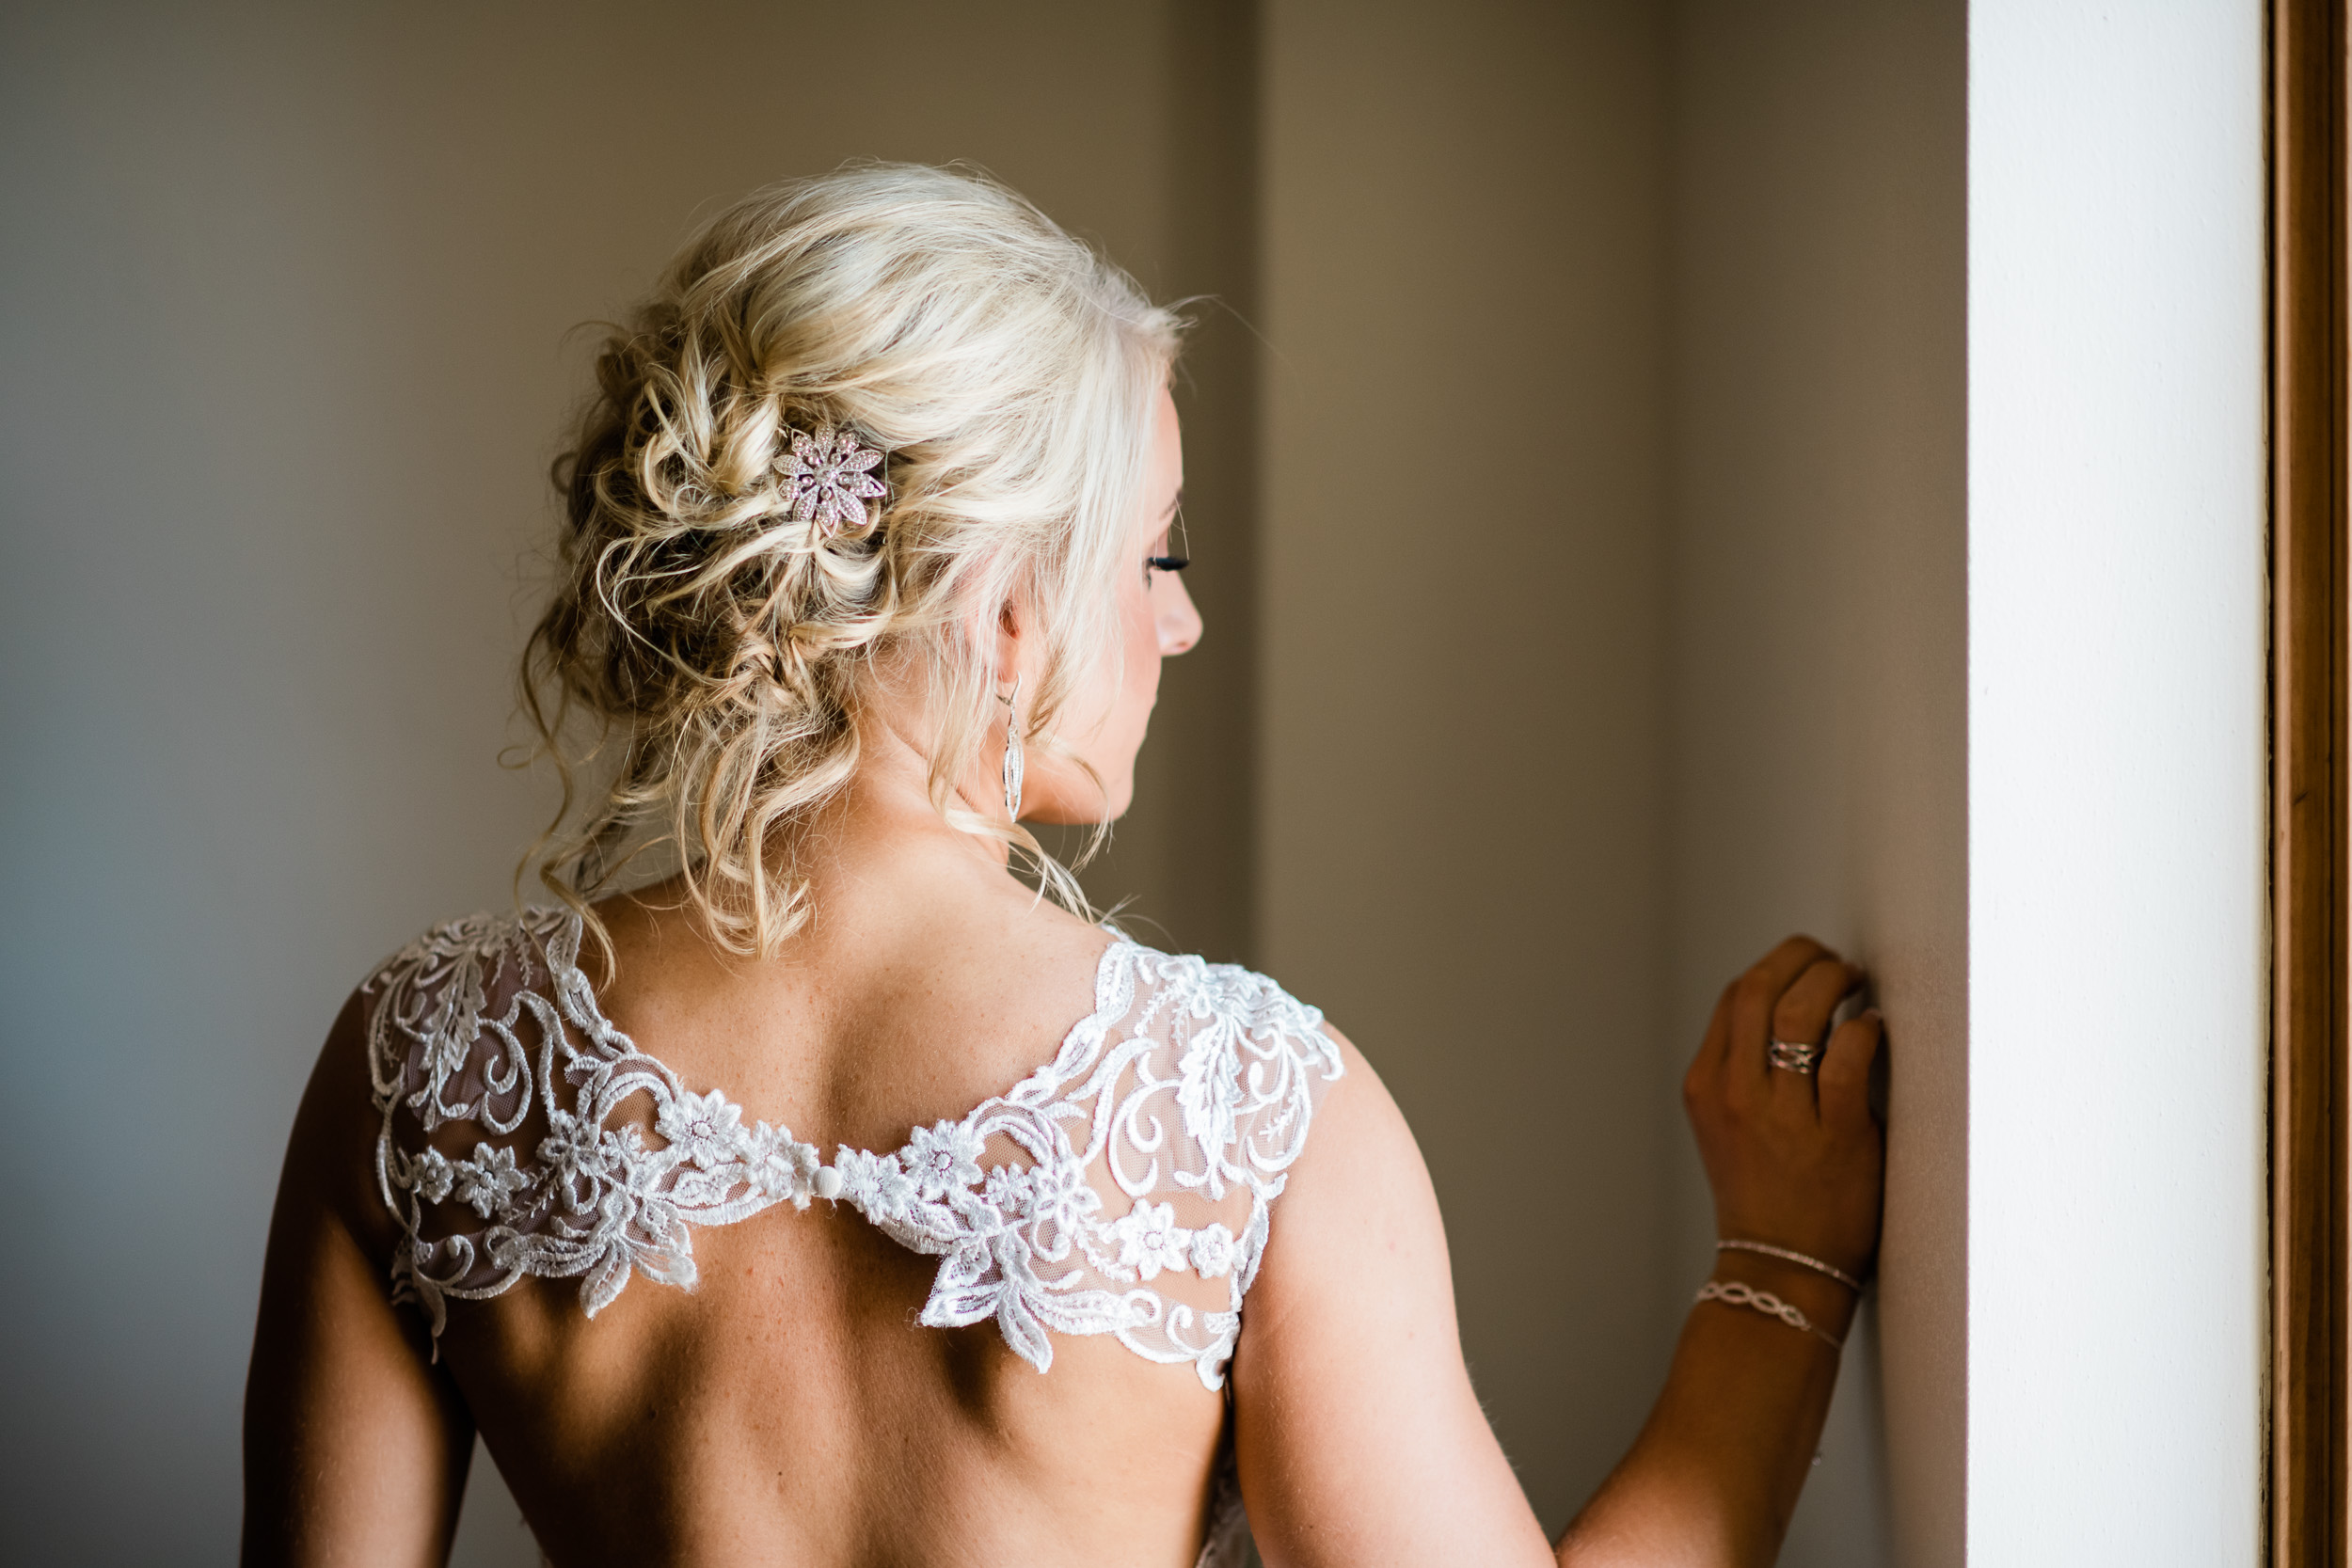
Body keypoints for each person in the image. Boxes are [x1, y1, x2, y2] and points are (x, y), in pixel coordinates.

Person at [243, 165, 1885, 1568]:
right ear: (1004, 604)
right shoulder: (1242, 1113)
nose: (1179, 620)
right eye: (1154, 550)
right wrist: (1781, 1267)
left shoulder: (419, 1068)